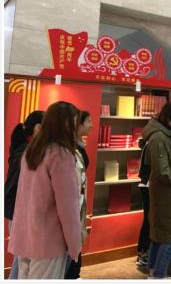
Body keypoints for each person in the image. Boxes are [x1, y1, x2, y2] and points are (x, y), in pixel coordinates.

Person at [8, 101, 81, 279]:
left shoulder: (32, 150)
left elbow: (23, 196)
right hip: (47, 241)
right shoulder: (60, 155)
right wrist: (75, 245)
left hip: (25, 236)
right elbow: (67, 207)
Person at [142, 102, 171, 280]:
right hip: (167, 194)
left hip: (168, 192)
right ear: (169, 118)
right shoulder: (159, 138)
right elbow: (162, 170)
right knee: (169, 237)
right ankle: (159, 275)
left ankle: (154, 273)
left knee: (161, 236)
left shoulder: (163, 135)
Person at [5, 110, 44, 280]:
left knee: (20, 261)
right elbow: (13, 187)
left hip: (20, 214)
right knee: (22, 262)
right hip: (20, 214)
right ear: (37, 128)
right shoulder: (25, 154)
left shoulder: (28, 150)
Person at [66, 111, 93, 279]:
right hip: (72, 208)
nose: (91, 125)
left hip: (78, 206)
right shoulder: (67, 150)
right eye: (88, 121)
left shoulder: (77, 146)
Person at [136, 136, 151, 274]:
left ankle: (143, 252)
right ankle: (143, 252)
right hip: (149, 185)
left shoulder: (149, 143)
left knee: (148, 220)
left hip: (147, 184)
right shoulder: (152, 143)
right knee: (149, 220)